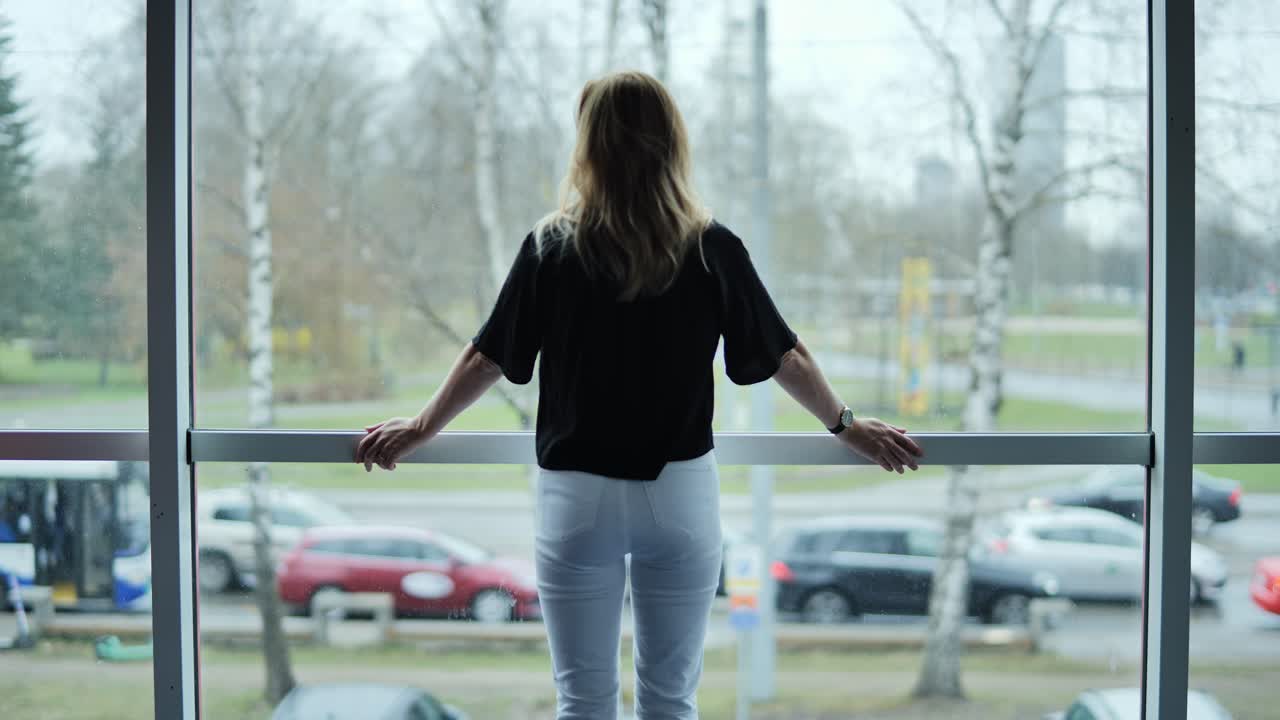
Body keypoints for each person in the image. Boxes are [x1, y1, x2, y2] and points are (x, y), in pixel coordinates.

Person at [356, 71, 924, 720]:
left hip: (576, 499)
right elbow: (784, 355)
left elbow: (487, 356)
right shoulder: (711, 247)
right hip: (678, 495)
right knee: (669, 701)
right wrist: (845, 423)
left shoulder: (552, 246)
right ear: (671, 142)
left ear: (589, 146)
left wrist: (423, 426)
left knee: (582, 701)